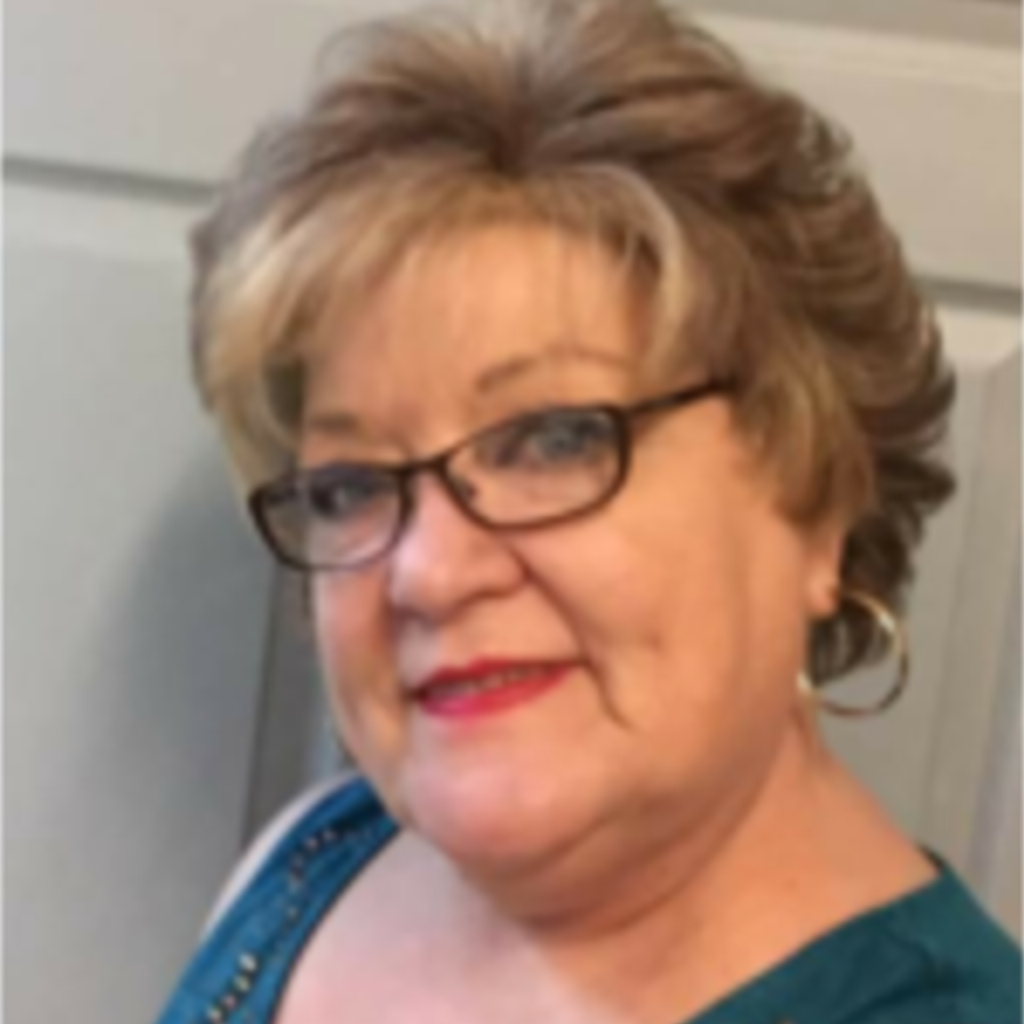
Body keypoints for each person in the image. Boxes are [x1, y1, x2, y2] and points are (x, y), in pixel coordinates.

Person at [155, 1, 1024, 1021]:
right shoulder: (311, 858)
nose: (429, 572)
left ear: (816, 484)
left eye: (553, 439)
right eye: (351, 485)